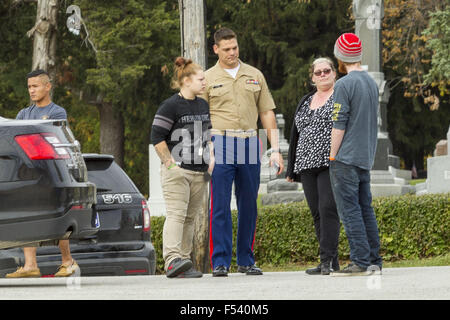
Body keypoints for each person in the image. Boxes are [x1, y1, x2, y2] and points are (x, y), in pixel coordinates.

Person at [201, 27, 283, 277]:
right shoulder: (207, 78)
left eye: (234, 47)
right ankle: (220, 262)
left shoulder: (254, 75)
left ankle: (246, 260)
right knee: (221, 206)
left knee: (249, 204)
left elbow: (266, 113)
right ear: (216, 49)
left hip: (249, 142)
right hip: (220, 143)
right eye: (226, 49)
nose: (232, 53)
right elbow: (201, 118)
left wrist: (275, 149)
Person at [6, 69, 79, 278]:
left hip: (51, 172)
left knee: (56, 216)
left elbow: (46, 136)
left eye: (36, 86)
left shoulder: (57, 112)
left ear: (48, 86)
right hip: (28, 173)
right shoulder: (23, 114)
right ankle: (30, 265)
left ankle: (67, 261)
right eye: (29, 87)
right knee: (27, 216)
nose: (32, 90)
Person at [151, 57, 214, 278]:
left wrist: (211, 159)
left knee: (190, 218)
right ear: (186, 81)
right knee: (177, 215)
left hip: (200, 172)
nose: (205, 82)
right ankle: (171, 260)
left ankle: (184, 263)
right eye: (201, 79)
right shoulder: (170, 106)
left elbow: (208, 136)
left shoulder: (202, 104)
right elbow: (157, 137)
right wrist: (171, 165)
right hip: (178, 171)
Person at [328, 33, 383, 276]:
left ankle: (360, 261)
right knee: (365, 208)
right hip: (364, 156)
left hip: (346, 157)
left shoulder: (343, 85)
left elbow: (339, 124)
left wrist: (332, 155)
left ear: (340, 56)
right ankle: (374, 260)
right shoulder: (371, 82)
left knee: (349, 210)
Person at [286, 57, 340, 275]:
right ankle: (329, 261)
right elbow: (295, 135)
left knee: (328, 208)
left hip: (330, 162)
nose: (323, 75)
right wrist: (291, 169)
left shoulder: (340, 97)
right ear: (312, 77)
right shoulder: (305, 100)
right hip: (306, 163)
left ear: (334, 73)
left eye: (326, 71)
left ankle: (327, 258)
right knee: (317, 212)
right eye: (318, 73)